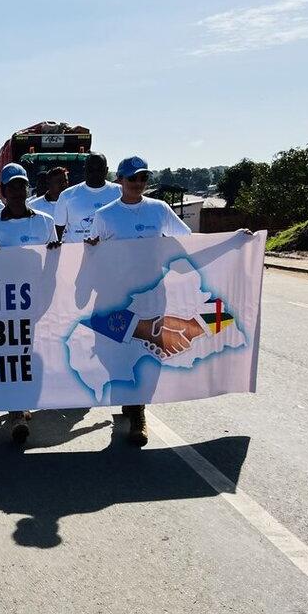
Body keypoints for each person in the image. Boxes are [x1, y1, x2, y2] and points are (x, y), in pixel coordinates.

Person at [83, 157, 192, 447]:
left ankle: (138, 413)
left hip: (152, 296)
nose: (138, 183)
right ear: (120, 180)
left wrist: (235, 239)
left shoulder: (159, 209)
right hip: (116, 297)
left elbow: (189, 239)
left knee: (148, 354)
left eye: (143, 177)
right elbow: (90, 252)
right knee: (118, 354)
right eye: (132, 178)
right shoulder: (105, 215)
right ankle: (131, 404)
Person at [0, 164, 60, 443]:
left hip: (36, 302)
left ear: (27, 189)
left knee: (31, 355)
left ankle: (24, 401)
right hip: (5, 305)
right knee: (12, 355)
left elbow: (53, 265)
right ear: (3, 191)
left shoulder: (45, 222)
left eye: (21, 185)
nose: (17, 191)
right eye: (11, 186)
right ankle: (17, 411)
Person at [54, 153, 122, 243]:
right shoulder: (67, 195)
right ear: (84, 170)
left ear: (106, 170)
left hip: (111, 250)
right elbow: (57, 232)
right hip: (76, 251)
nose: (95, 173)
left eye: (99, 170)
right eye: (91, 170)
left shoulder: (120, 192)